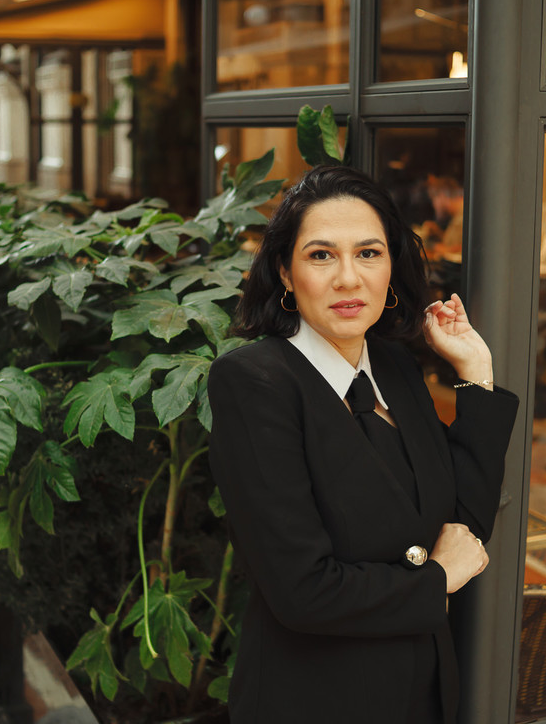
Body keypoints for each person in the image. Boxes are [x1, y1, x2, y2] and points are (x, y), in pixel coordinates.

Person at [208, 165, 519, 724]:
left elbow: (463, 522)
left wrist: (476, 373)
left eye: (369, 253)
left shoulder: (396, 367)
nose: (348, 279)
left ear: (392, 267)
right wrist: (437, 580)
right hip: (316, 698)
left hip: (422, 693)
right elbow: (302, 590)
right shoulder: (254, 383)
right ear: (284, 271)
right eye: (321, 255)